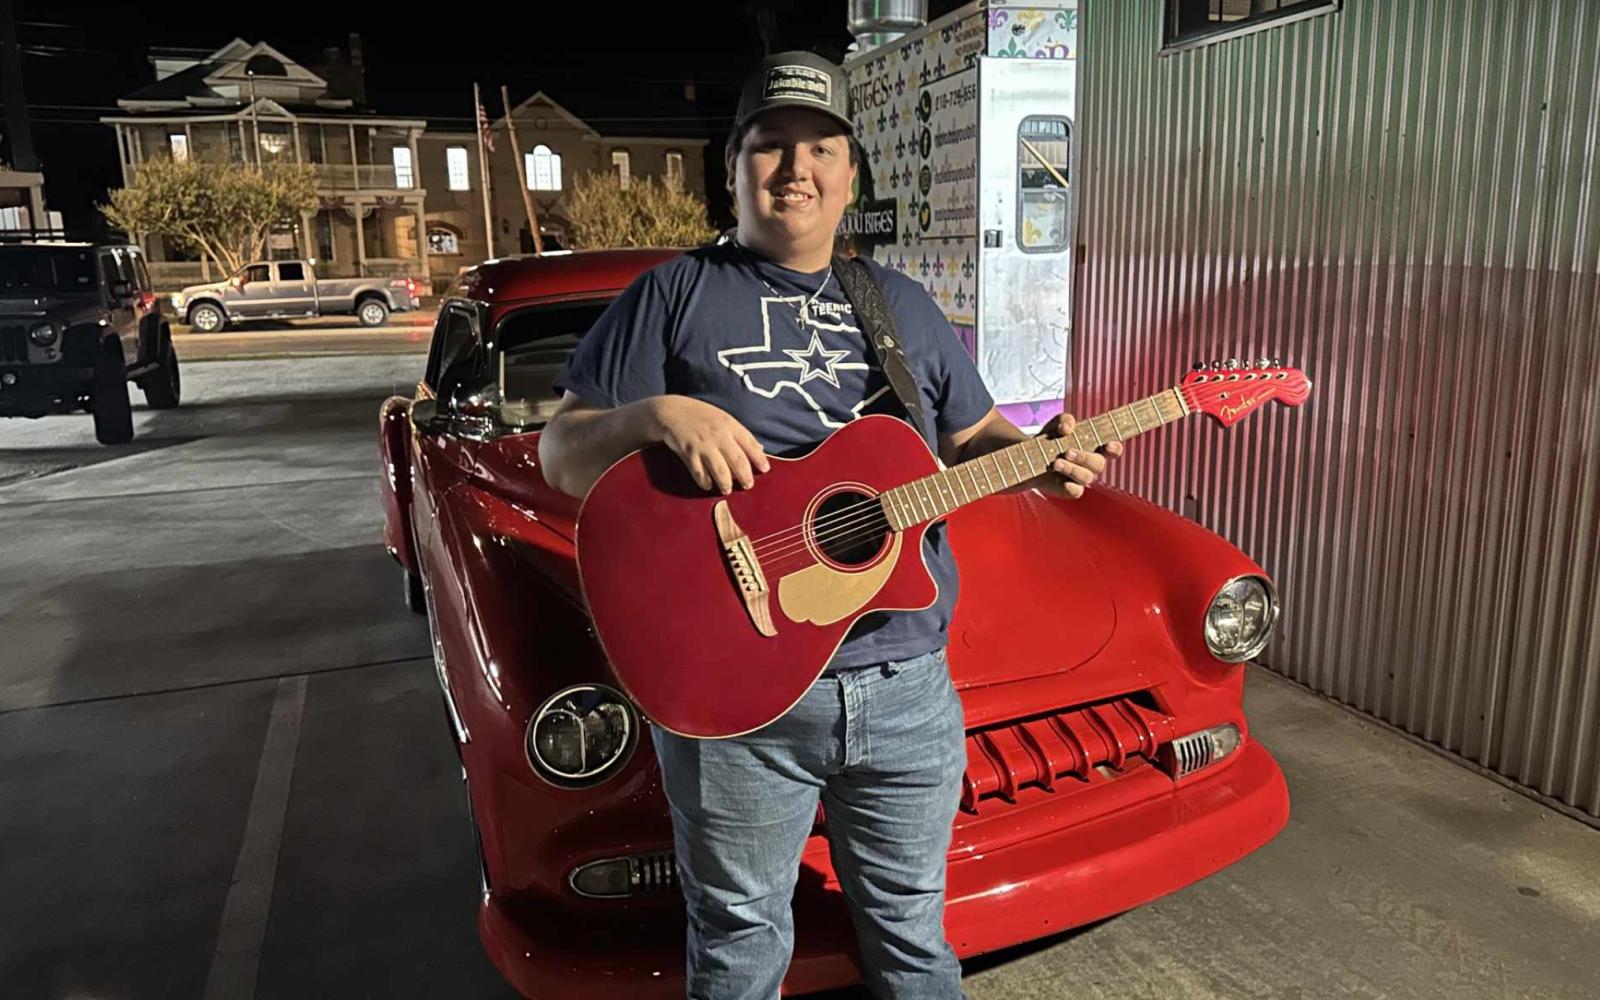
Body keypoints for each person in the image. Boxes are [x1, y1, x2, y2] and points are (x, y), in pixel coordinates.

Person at [539, 50, 1122, 1000]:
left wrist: (1037, 457)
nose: (795, 169)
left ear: (851, 176)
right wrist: (655, 416)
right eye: (770, 147)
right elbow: (563, 453)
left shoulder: (900, 306)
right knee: (737, 943)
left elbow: (972, 436)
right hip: (740, 697)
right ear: (733, 166)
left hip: (903, 688)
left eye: (820, 149)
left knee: (913, 938)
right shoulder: (673, 295)